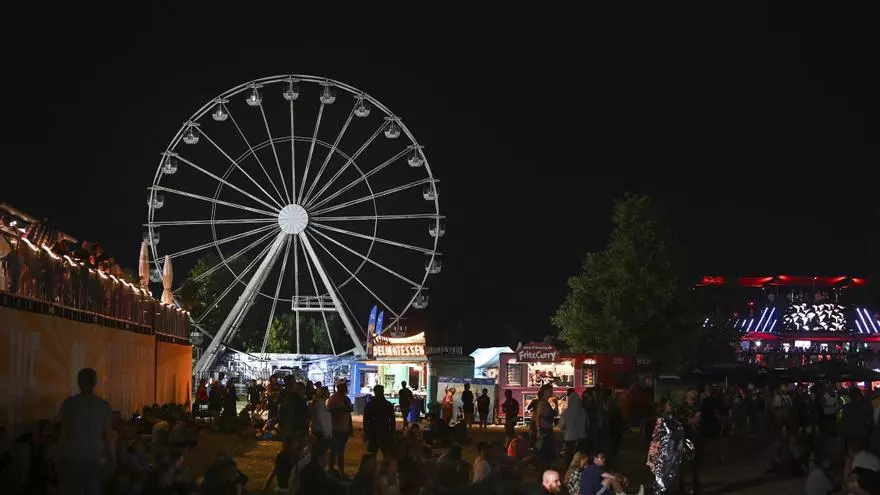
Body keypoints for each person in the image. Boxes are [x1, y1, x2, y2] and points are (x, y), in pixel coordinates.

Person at [55, 368, 114, 495]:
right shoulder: (103, 406)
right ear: (94, 383)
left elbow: (63, 434)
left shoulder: (68, 404)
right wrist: (113, 459)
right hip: (94, 457)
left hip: (70, 457)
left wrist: (57, 457)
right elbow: (108, 437)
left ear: (78, 382)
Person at [647, 398, 685, 495]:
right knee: (662, 482)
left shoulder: (672, 420)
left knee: (673, 481)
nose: (671, 406)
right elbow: (656, 440)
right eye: (669, 404)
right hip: (664, 457)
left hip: (673, 456)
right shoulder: (661, 421)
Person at [326, 382, 353, 476]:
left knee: (341, 451)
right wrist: (341, 410)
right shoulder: (333, 399)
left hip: (344, 428)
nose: (346, 389)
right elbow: (329, 412)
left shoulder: (346, 399)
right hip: (336, 428)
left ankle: (340, 470)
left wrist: (350, 427)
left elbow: (348, 414)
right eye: (344, 387)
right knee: (334, 450)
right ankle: (332, 469)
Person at [363, 385, 396, 458]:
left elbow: (365, 420)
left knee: (373, 453)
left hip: (373, 430)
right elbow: (392, 420)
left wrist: (365, 431)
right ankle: (385, 468)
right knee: (386, 453)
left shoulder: (370, 404)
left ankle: (373, 467)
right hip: (384, 430)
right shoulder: (387, 404)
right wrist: (392, 431)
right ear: (383, 392)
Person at [559, 388, 587, 467]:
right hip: (582, 438)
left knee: (570, 457)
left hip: (569, 438)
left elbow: (561, 426)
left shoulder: (566, 412)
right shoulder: (583, 411)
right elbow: (587, 425)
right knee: (580, 458)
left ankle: (569, 471)